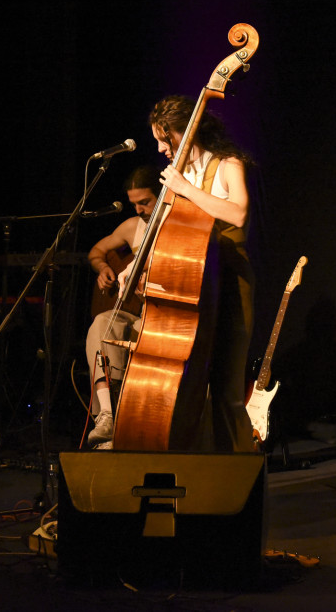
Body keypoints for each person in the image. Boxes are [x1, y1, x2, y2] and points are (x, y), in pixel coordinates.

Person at [114, 95, 256, 453]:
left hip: (229, 286)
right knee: (187, 386)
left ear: (186, 131)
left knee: (227, 391)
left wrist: (187, 190)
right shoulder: (180, 176)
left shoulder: (227, 165)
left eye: (166, 139)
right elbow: (164, 233)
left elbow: (238, 214)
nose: (162, 149)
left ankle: (235, 477)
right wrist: (133, 267)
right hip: (195, 289)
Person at [84, 166, 159, 448]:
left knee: (141, 330)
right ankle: (107, 414)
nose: (139, 209)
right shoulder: (132, 227)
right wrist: (103, 268)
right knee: (102, 323)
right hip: (138, 311)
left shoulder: (178, 223)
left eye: (145, 202)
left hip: (164, 315)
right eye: (134, 204)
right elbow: (96, 251)